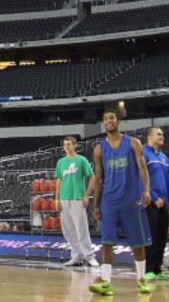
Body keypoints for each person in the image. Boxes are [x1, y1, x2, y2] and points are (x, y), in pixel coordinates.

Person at [89, 108, 152, 296]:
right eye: (105, 118)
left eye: (111, 118)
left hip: (131, 199)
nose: (108, 121)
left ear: (118, 121)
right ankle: (105, 282)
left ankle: (141, 279)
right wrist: (96, 204)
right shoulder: (99, 148)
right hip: (109, 201)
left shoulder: (133, 143)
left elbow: (143, 168)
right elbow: (99, 178)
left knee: (137, 243)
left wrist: (147, 190)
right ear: (103, 123)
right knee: (107, 242)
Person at [54, 136, 97, 267]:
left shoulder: (81, 160)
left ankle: (89, 256)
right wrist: (56, 198)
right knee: (68, 230)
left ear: (75, 145)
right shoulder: (61, 162)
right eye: (65, 145)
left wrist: (86, 196)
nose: (66, 147)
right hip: (64, 198)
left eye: (69, 144)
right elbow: (59, 180)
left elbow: (93, 177)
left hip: (77, 198)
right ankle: (76, 256)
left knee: (81, 228)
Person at [143, 126, 169, 283]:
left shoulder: (164, 157)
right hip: (150, 202)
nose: (162, 136)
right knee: (151, 236)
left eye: (163, 134)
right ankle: (148, 270)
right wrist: (154, 197)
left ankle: (157, 269)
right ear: (150, 136)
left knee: (162, 237)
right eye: (159, 134)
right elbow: (141, 178)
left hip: (164, 203)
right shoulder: (143, 153)